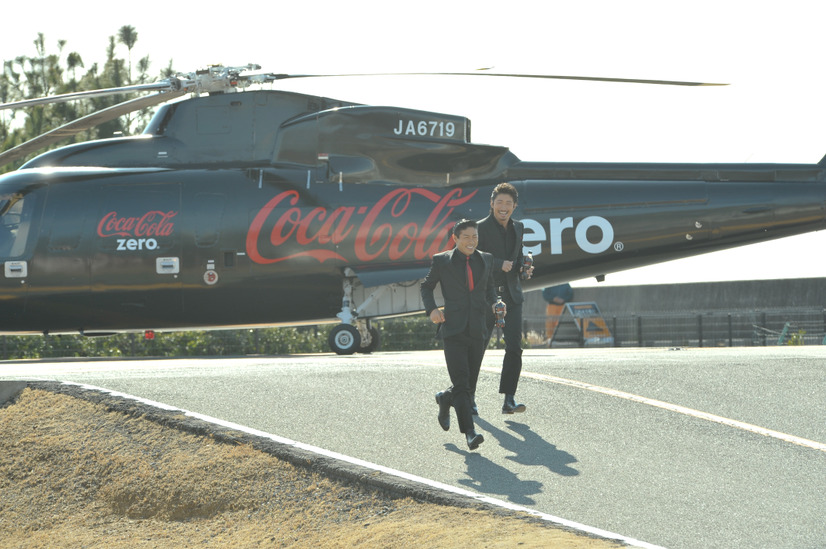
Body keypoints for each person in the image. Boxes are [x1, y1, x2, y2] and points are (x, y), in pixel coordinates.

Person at [421, 219, 498, 450]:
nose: (471, 241)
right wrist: (432, 309)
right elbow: (426, 286)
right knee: (463, 383)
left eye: (475, 236)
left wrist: (495, 303)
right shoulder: (442, 260)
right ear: (455, 239)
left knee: (468, 383)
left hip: (478, 329)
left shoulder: (486, 259)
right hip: (453, 329)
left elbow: (490, 289)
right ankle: (470, 433)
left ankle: (445, 398)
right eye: (466, 237)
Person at [477, 182, 534, 415]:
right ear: (491, 204)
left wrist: (523, 268)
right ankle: (466, 397)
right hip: (486, 296)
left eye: (508, 203)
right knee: (477, 348)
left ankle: (509, 399)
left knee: (514, 348)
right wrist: (500, 264)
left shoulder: (519, 227)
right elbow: (473, 260)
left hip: (512, 296)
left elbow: (517, 256)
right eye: (499, 202)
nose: (503, 207)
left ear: (515, 206)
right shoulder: (478, 228)